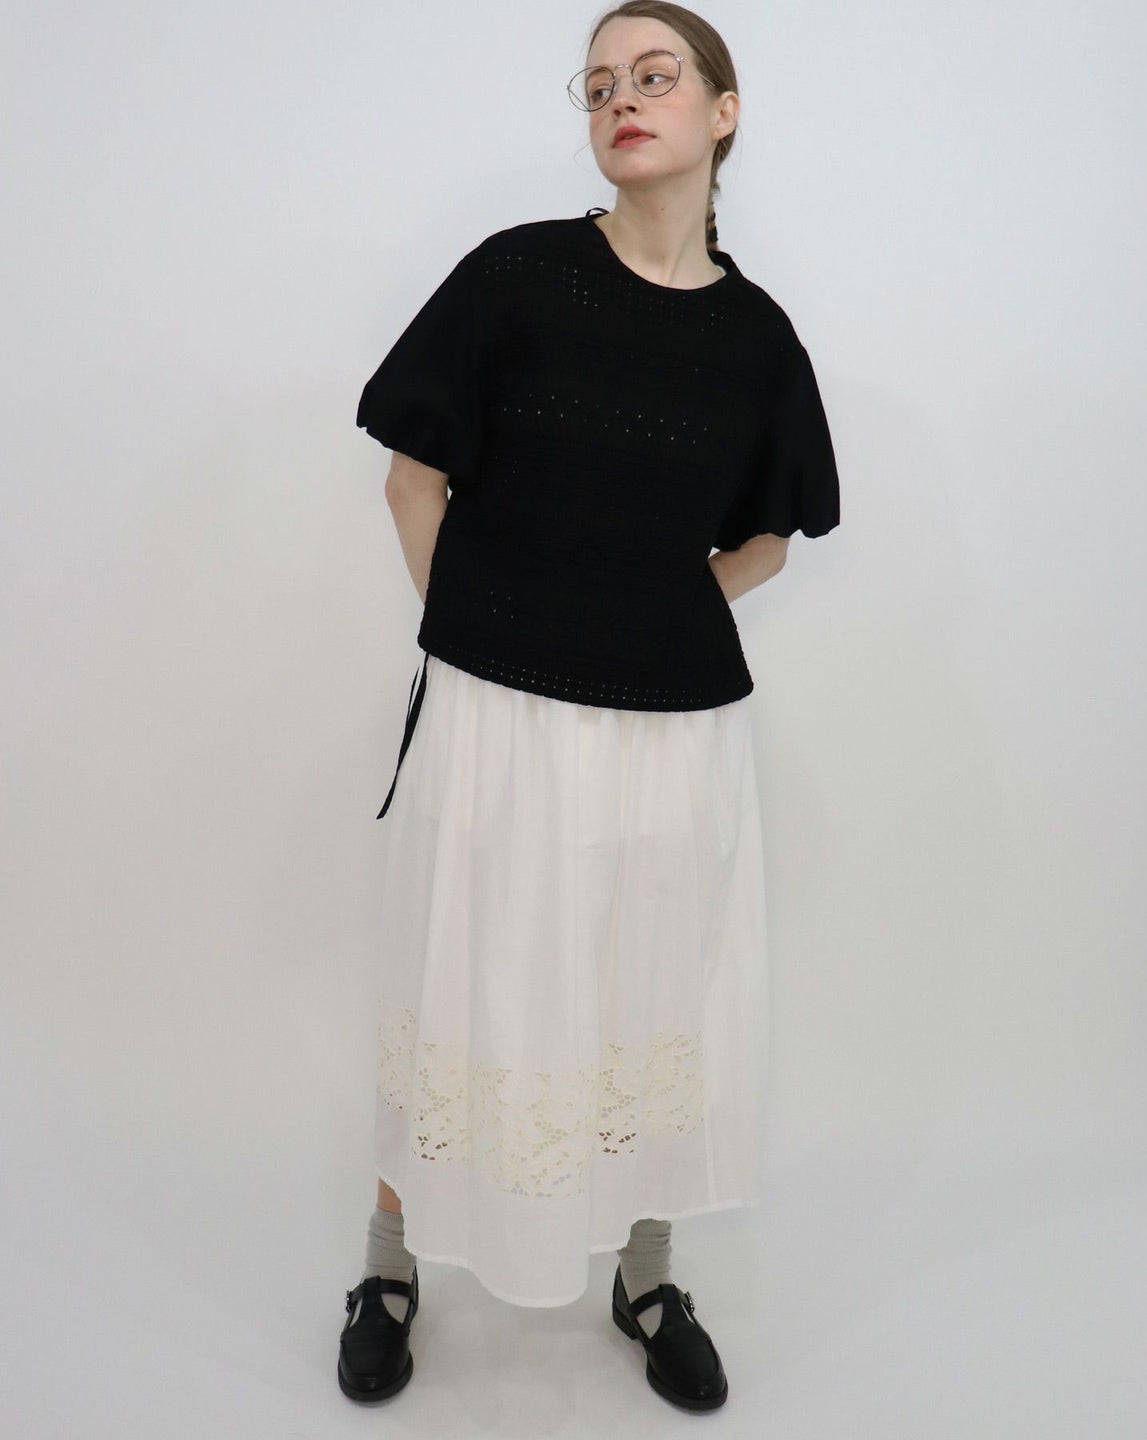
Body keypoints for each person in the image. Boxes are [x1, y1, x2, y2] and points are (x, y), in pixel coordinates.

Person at [337, 0, 839, 1414]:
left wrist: (647, 612)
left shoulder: (758, 340)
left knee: (654, 983)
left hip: (674, 734)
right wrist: (488, 635)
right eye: (601, 81)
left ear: (723, 112)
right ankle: (387, 1265)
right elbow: (411, 477)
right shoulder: (517, 277)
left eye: (656, 74)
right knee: (457, 974)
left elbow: (770, 539)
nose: (623, 96)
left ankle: (648, 1274)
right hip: (496, 716)